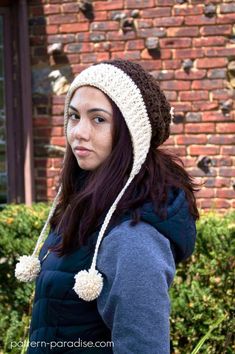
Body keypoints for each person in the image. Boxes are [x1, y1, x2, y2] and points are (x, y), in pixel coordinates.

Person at [15, 59, 199, 353]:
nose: (79, 132)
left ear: (130, 133)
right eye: (74, 116)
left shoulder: (133, 236)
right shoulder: (87, 206)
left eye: (98, 119)